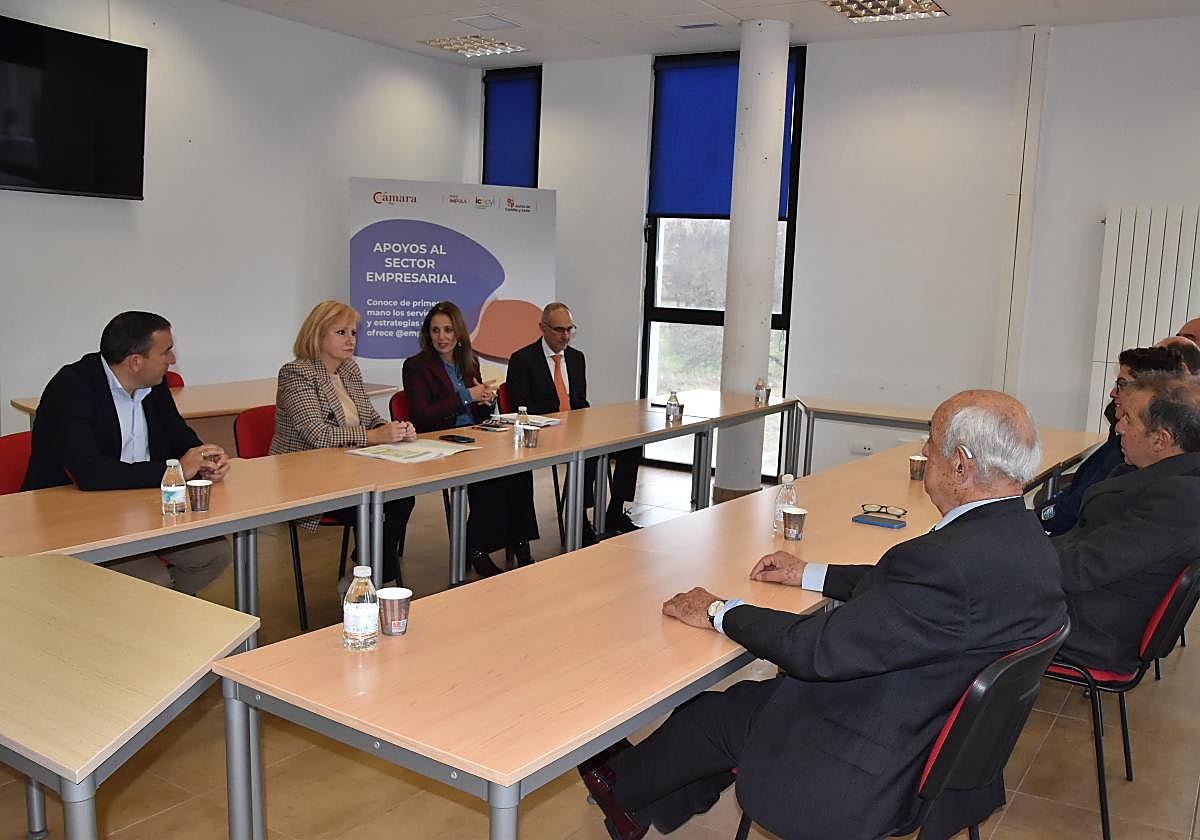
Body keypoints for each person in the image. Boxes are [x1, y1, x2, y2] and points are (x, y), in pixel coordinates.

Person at [579, 390, 1065, 840]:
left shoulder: (945, 564)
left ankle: (622, 793)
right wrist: (811, 573)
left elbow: (816, 650)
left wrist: (717, 610)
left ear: (959, 466)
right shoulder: (1026, 542)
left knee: (715, 712)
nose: (924, 450)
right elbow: (909, 593)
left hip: (871, 763)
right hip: (936, 739)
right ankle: (639, 804)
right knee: (737, 706)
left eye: (931, 443)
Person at [22, 311, 232, 594]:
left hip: (144, 506)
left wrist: (203, 457)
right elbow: (90, 473)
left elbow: (176, 432)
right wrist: (175, 471)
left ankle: (158, 621)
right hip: (81, 518)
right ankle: (144, 621)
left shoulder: (154, 384)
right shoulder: (72, 387)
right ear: (135, 361)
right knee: (153, 581)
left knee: (214, 554)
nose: (172, 360)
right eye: (166, 352)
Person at [1053, 373, 1200, 674]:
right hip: (1089, 601)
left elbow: (1084, 567)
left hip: (1089, 626)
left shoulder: (1179, 497)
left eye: (1128, 420)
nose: (1118, 427)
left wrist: (1012, 558)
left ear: (1161, 439)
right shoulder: (1167, 478)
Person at [271, 300, 417, 587]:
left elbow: (369, 416)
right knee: (377, 504)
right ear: (317, 335)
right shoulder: (296, 374)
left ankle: (364, 575)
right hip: (306, 478)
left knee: (400, 497)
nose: (351, 340)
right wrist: (374, 436)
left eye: (353, 332)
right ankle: (369, 579)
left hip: (349, 468)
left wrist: (394, 429)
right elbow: (318, 434)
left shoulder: (349, 370)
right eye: (341, 333)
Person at [402, 301, 539, 577]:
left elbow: (479, 410)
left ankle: (519, 540)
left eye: (448, 330)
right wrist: (467, 396)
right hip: (439, 440)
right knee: (489, 475)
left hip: (472, 436)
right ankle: (477, 548)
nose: (442, 337)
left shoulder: (469, 362)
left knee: (518, 467)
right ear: (427, 334)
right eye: (435, 330)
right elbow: (422, 415)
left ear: (458, 333)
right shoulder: (416, 366)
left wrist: (485, 400)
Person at [505, 302, 641, 542]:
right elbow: (520, 405)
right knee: (586, 451)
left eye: (569, 329)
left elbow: (580, 400)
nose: (565, 336)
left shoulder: (577, 358)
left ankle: (615, 510)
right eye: (559, 330)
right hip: (543, 430)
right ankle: (579, 518)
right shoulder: (523, 359)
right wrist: (558, 421)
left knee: (631, 444)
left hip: (575, 427)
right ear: (543, 328)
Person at [1037, 345, 1184, 535]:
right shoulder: (1125, 440)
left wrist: (1034, 518)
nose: (1113, 393)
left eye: (1122, 384)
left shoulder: (1132, 454)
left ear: (1148, 392)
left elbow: (1074, 509)